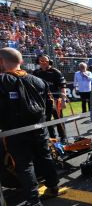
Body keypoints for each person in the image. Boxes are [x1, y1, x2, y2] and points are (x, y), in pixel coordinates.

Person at [0, 47, 62, 206]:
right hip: (39, 128)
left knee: (24, 165)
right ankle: (53, 186)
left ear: (1, 61)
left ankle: (33, 201)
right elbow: (50, 104)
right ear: (21, 61)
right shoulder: (38, 80)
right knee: (45, 156)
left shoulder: (2, 81)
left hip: (15, 132)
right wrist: (44, 121)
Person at [33, 54, 67, 141]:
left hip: (56, 100)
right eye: (41, 61)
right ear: (38, 62)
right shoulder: (36, 73)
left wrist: (64, 100)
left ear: (49, 61)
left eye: (46, 61)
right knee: (47, 120)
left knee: (59, 119)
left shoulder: (56, 72)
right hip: (43, 101)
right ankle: (52, 138)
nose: (44, 63)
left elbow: (63, 86)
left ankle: (63, 137)